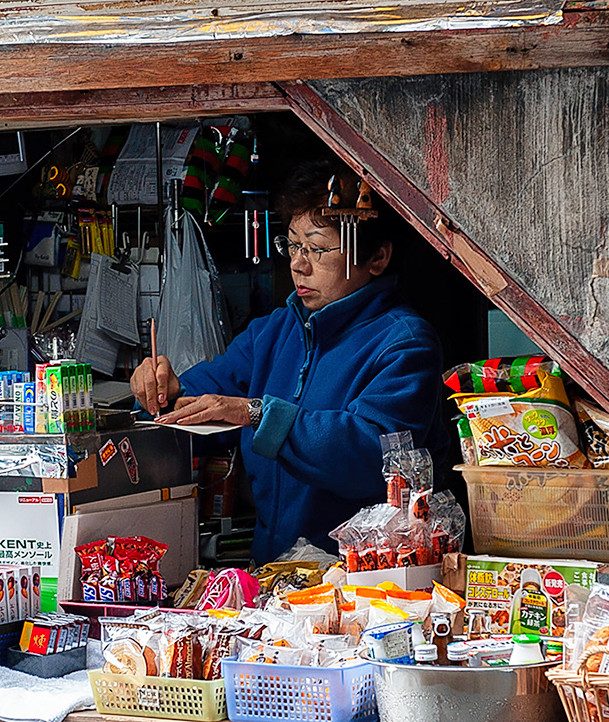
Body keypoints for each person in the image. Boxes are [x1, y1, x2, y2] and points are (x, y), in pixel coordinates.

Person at [132, 161, 447, 563]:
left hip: (367, 576)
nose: (299, 263)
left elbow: (372, 454)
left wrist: (258, 414)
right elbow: (207, 396)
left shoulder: (404, 343)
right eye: (294, 245)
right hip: (274, 573)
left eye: (317, 248)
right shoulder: (274, 331)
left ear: (378, 258)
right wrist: (164, 389)